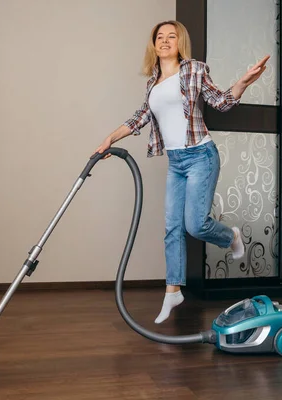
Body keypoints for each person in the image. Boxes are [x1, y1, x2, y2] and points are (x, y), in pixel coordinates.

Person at [94, 20, 269, 324]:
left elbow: (220, 102)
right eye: (159, 37)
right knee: (172, 228)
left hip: (201, 155)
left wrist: (244, 81)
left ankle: (231, 237)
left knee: (195, 225)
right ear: (154, 44)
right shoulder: (153, 83)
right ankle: (172, 291)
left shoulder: (194, 70)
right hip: (176, 163)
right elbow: (139, 118)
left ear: (179, 42)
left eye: (170, 36)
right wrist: (109, 139)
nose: (164, 40)